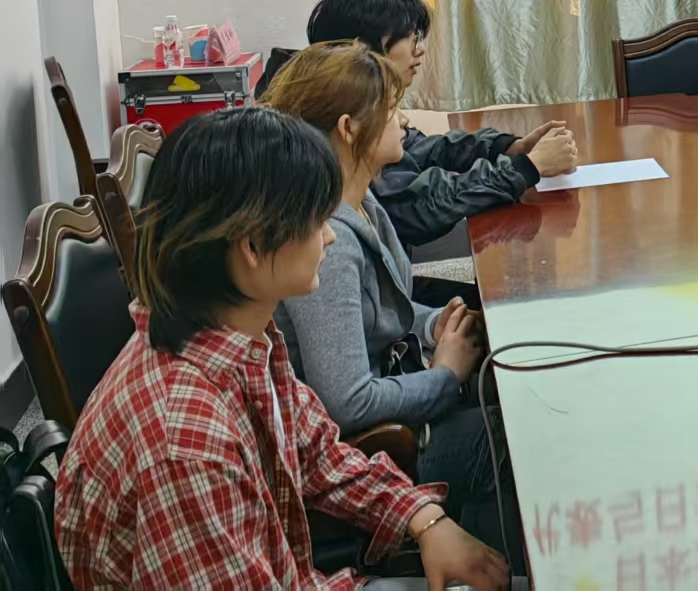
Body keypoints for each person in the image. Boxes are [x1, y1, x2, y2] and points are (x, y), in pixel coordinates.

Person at [55, 106, 507, 591]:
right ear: (252, 247)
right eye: (316, 220)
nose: (330, 235)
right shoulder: (186, 447)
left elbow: (314, 450)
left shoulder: (235, 334)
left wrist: (423, 518)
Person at [262, 42, 517, 553]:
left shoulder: (359, 198)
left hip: (396, 401)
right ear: (348, 128)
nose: (403, 120)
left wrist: (432, 324)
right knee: (517, 440)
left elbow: (378, 310)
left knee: (509, 399)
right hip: (372, 450)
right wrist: (446, 377)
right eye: (392, 109)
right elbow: (348, 403)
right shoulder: (328, 241)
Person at [304, 0, 577, 250]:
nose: (419, 50)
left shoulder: (344, 101)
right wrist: (526, 167)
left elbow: (425, 149)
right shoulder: (343, 121)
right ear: (365, 49)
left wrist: (506, 147)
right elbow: (417, 207)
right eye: (411, 39)